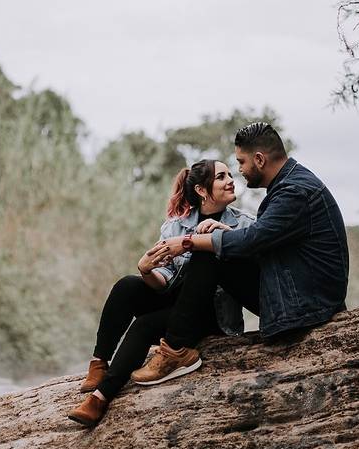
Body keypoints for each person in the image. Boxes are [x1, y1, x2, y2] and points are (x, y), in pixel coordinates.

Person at [130, 121, 349, 386]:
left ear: (259, 159)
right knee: (212, 245)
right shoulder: (291, 184)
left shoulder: (294, 191)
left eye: (241, 162)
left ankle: (175, 348)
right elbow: (265, 241)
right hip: (306, 292)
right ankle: (176, 345)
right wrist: (223, 231)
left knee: (207, 250)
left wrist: (187, 242)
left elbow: (253, 239)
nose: (239, 171)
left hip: (309, 304)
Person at [67, 159, 255, 427]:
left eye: (229, 174)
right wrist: (145, 271)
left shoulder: (243, 223)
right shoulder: (175, 227)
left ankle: (100, 397)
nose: (230, 180)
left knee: (146, 324)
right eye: (221, 176)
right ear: (202, 190)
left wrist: (223, 235)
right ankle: (98, 363)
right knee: (127, 285)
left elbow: (257, 260)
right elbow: (165, 281)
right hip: (178, 307)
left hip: (212, 314)